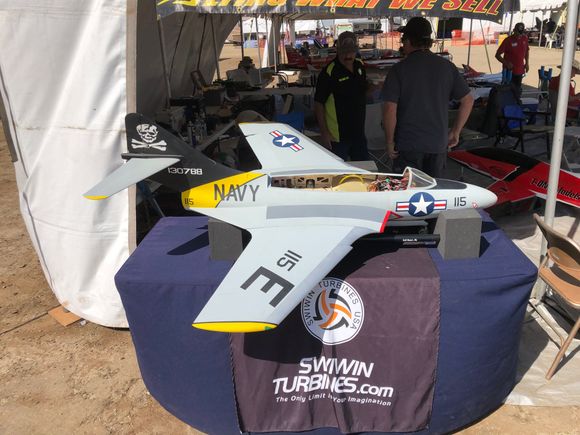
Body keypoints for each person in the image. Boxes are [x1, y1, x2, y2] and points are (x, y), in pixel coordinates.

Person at [381, 17, 474, 178]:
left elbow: (390, 108)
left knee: (408, 191)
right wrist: (455, 131)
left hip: (408, 145)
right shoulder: (447, 67)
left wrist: (389, 142)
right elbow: (468, 100)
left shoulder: (399, 70)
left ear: (408, 41)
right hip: (437, 144)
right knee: (434, 190)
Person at [314, 31, 370, 160]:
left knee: (364, 169)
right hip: (337, 137)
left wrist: (376, 87)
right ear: (337, 50)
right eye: (344, 52)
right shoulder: (329, 72)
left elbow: (362, 91)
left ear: (356, 50)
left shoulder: (359, 65)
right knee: (338, 171)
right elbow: (318, 103)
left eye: (351, 52)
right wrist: (324, 133)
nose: (348, 56)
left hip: (358, 133)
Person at [495, 22, 529, 95]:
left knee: (517, 90)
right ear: (514, 30)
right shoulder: (508, 40)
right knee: (507, 91)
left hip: (520, 70)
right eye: (518, 32)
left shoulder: (525, 38)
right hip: (509, 71)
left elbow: (526, 51)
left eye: (521, 33)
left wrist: (527, 63)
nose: (519, 35)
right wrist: (506, 63)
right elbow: (497, 55)